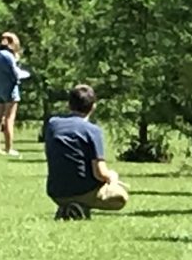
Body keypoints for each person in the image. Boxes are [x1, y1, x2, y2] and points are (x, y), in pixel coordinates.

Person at [44, 84, 129, 220]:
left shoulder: (53, 124)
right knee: (121, 197)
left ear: (69, 104)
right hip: (83, 190)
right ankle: (79, 206)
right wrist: (112, 178)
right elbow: (99, 173)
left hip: (55, 190)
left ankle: (68, 207)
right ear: (93, 106)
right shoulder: (92, 131)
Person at [0, 31, 25, 156]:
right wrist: (19, 79)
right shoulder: (8, 56)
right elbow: (14, 73)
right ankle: (9, 148)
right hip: (10, 90)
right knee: (9, 119)